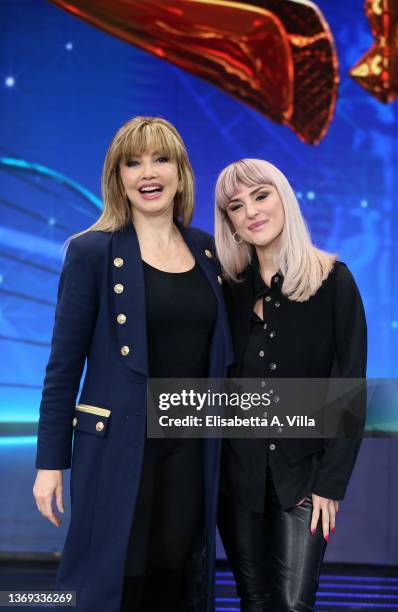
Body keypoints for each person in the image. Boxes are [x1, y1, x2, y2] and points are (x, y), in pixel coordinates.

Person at [33, 116, 233, 612]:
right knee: (118, 578)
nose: (148, 172)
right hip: (119, 443)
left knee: (176, 572)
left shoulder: (207, 250)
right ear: (118, 177)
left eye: (161, 159)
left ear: (180, 172)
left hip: (190, 444)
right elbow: (63, 366)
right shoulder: (91, 252)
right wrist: (49, 461)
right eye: (133, 162)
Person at [214, 158, 367, 612]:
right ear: (232, 224)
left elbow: (348, 388)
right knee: (254, 601)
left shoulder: (335, 281)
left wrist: (331, 485)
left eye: (261, 196)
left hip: (305, 480)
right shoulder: (227, 289)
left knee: (292, 604)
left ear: (284, 198)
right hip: (236, 478)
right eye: (236, 206)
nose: (251, 212)